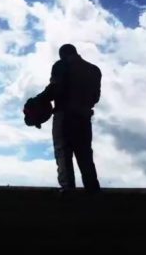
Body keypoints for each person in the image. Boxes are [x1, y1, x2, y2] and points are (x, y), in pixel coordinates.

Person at [38, 44, 102, 193]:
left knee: (63, 155)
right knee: (85, 156)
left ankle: (68, 193)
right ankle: (94, 194)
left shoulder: (61, 66)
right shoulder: (94, 70)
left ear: (62, 54)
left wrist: (36, 102)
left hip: (64, 118)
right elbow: (95, 98)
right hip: (84, 119)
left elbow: (54, 89)